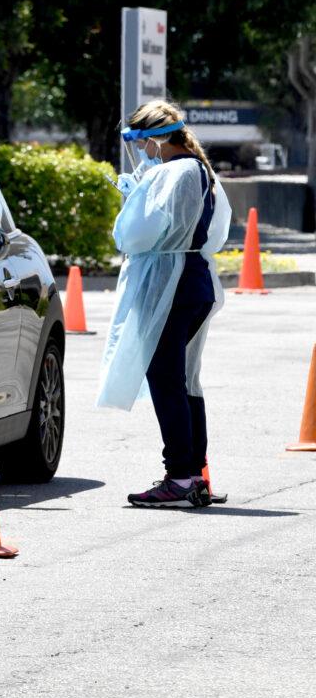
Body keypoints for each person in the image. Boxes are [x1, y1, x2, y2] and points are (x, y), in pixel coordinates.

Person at [96, 99, 232, 508]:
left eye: (140, 142)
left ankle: (180, 476)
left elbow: (135, 236)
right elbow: (217, 228)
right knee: (187, 380)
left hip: (170, 285)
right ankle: (194, 473)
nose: (139, 152)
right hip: (196, 282)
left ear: (154, 138)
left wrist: (133, 199)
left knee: (166, 379)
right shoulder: (199, 168)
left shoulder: (173, 173)